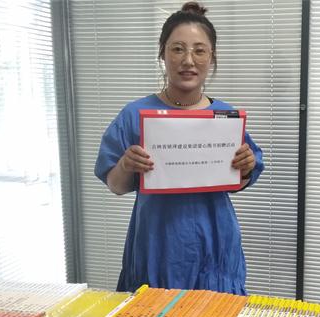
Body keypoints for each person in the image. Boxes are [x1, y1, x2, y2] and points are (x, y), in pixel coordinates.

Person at [94, 2, 264, 295]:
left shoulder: (226, 118)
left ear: (212, 57)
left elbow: (238, 182)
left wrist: (245, 166)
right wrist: (125, 165)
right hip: (158, 246)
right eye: (177, 49)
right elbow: (115, 186)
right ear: (162, 53)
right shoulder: (135, 115)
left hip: (214, 243)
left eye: (199, 50)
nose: (188, 60)